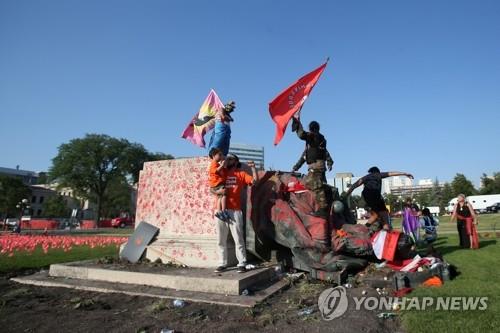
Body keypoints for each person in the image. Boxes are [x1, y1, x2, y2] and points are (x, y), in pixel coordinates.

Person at [214, 153, 258, 273]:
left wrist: (253, 168)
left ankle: (242, 262)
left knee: (238, 238)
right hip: (220, 210)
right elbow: (211, 186)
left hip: (235, 210)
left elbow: (254, 181)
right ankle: (222, 263)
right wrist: (217, 191)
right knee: (220, 239)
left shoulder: (241, 174)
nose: (227, 160)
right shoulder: (220, 172)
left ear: (236, 161)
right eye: (226, 158)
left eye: (230, 158)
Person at [345, 167, 414, 230]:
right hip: (376, 197)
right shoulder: (379, 175)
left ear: (370, 172)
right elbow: (392, 173)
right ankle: (386, 228)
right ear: (377, 171)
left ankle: (365, 228)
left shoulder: (366, 177)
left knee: (375, 215)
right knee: (384, 214)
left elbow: (355, 185)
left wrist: (346, 195)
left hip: (366, 198)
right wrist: (405, 174)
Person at [291, 117, 334, 218]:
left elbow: (302, 135)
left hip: (316, 167)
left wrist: (297, 123)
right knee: (321, 185)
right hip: (319, 166)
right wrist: (296, 167)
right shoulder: (315, 143)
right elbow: (305, 156)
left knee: (312, 184)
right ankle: (328, 198)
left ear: (311, 128)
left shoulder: (315, 136)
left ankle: (323, 209)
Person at [208, 147, 229, 222]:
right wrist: (222, 165)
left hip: (216, 184)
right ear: (213, 155)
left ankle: (219, 211)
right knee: (224, 195)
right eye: (219, 155)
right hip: (217, 184)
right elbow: (216, 171)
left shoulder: (216, 164)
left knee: (220, 198)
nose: (221, 156)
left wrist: (224, 163)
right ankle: (223, 210)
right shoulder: (214, 164)